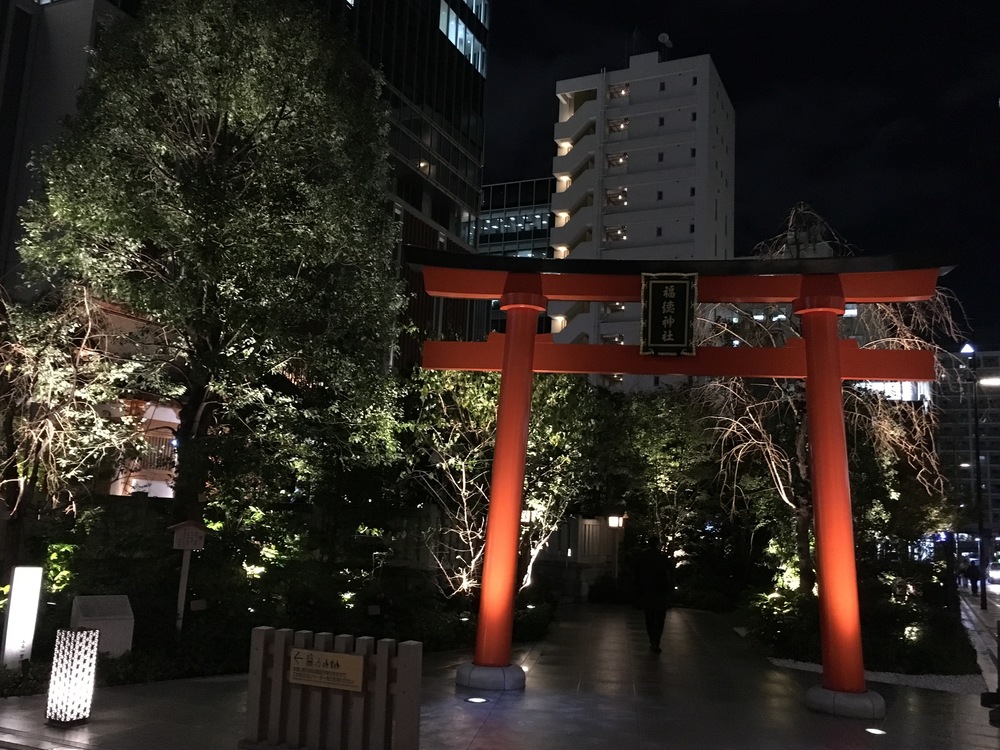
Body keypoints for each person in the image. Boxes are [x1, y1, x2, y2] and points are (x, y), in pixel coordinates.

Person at [634, 536, 673, 654]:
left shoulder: (642, 558)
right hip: (661, 592)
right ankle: (656, 641)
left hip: (648, 592)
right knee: (660, 619)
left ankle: (652, 639)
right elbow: (669, 576)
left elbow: (637, 576)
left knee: (649, 617)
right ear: (658, 544)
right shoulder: (663, 559)